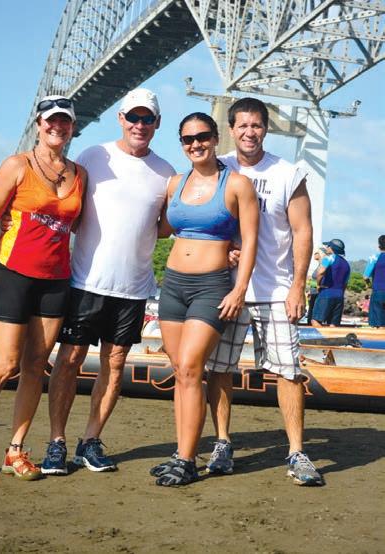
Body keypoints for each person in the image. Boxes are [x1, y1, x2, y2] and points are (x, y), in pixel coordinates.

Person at [152, 97, 323, 486]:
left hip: (274, 287)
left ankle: (297, 451)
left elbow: (303, 231)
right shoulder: (216, 166)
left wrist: (299, 285)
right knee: (218, 369)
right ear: (230, 130)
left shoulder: (286, 173)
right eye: (242, 125)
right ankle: (222, 443)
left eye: (256, 125)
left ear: (266, 129)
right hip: (223, 288)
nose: (249, 132)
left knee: (287, 370)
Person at [0, 95, 86, 482]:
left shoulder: (79, 173)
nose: (57, 127)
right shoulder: (17, 165)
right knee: (5, 365)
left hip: (56, 279)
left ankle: (16, 449)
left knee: (35, 366)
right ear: (39, 125)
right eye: (51, 120)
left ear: (72, 127)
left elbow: (76, 224)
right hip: (12, 273)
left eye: (65, 121)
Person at [40, 88, 176, 476]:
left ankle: (90, 441)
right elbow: (64, 209)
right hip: (85, 281)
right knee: (69, 360)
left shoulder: (166, 173)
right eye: (133, 117)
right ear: (120, 118)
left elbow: (166, 227)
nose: (139, 124)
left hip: (133, 288)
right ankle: (56, 442)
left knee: (114, 365)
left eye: (147, 118)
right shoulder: (92, 156)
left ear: (157, 123)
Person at [152, 112, 258, 486]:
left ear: (215, 138)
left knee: (192, 367)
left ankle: (186, 459)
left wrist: (238, 290)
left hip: (211, 287)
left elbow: (251, 242)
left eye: (202, 137)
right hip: (172, 286)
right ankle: (182, 452)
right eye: (187, 139)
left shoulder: (238, 185)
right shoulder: (175, 184)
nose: (195, 144)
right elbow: (161, 228)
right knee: (181, 371)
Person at [312, 239, 350, 327]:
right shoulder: (346, 264)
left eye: (328, 246)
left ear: (331, 248)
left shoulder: (328, 258)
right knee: (333, 325)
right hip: (339, 296)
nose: (326, 247)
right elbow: (345, 283)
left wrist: (318, 284)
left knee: (316, 321)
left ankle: (321, 336)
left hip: (326, 293)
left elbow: (320, 272)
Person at [363, 235, 385, 327]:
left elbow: (365, 277)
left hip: (379, 291)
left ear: (379, 246)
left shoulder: (374, 257)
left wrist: (368, 284)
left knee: (378, 323)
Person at [306, 246, 328, 325]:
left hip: (318, 294)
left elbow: (322, 280)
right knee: (311, 315)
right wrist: (310, 290)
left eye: (316, 253)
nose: (314, 254)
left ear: (321, 254)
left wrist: (311, 283)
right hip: (314, 293)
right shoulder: (319, 265)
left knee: (314, 316)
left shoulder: (324, 264)